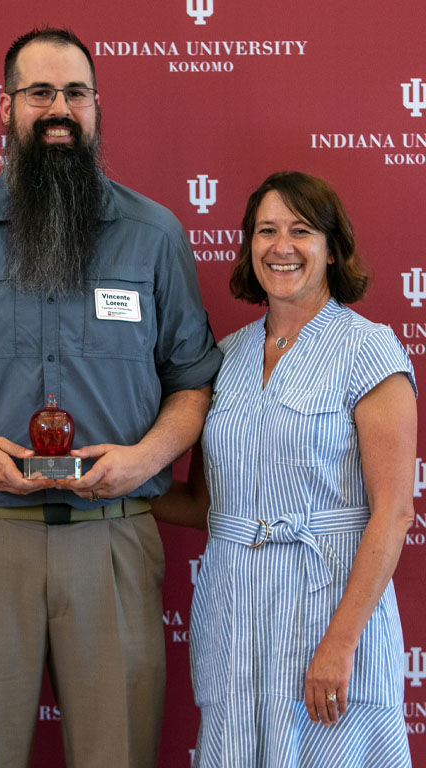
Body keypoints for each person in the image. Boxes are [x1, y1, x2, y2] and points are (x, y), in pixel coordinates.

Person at [0, 27, 221, 768]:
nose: (58, 108)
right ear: (4, 108)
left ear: (97, 107)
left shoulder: (156, 236)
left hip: (115, 537)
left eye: (75, 93)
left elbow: (194, 384)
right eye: (39, 92)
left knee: (118, 753)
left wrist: (146, 458)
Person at [153, 171, 416, 767]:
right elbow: (205, 505)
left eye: (301, 230)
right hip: (235, 618)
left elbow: (394, 512)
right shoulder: (229, 356)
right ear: (247, 246)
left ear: (332, 246)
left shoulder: (368, 348)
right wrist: (111, 485)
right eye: (266, 231)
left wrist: (342, 641)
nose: (282, 246)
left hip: (330, 609)